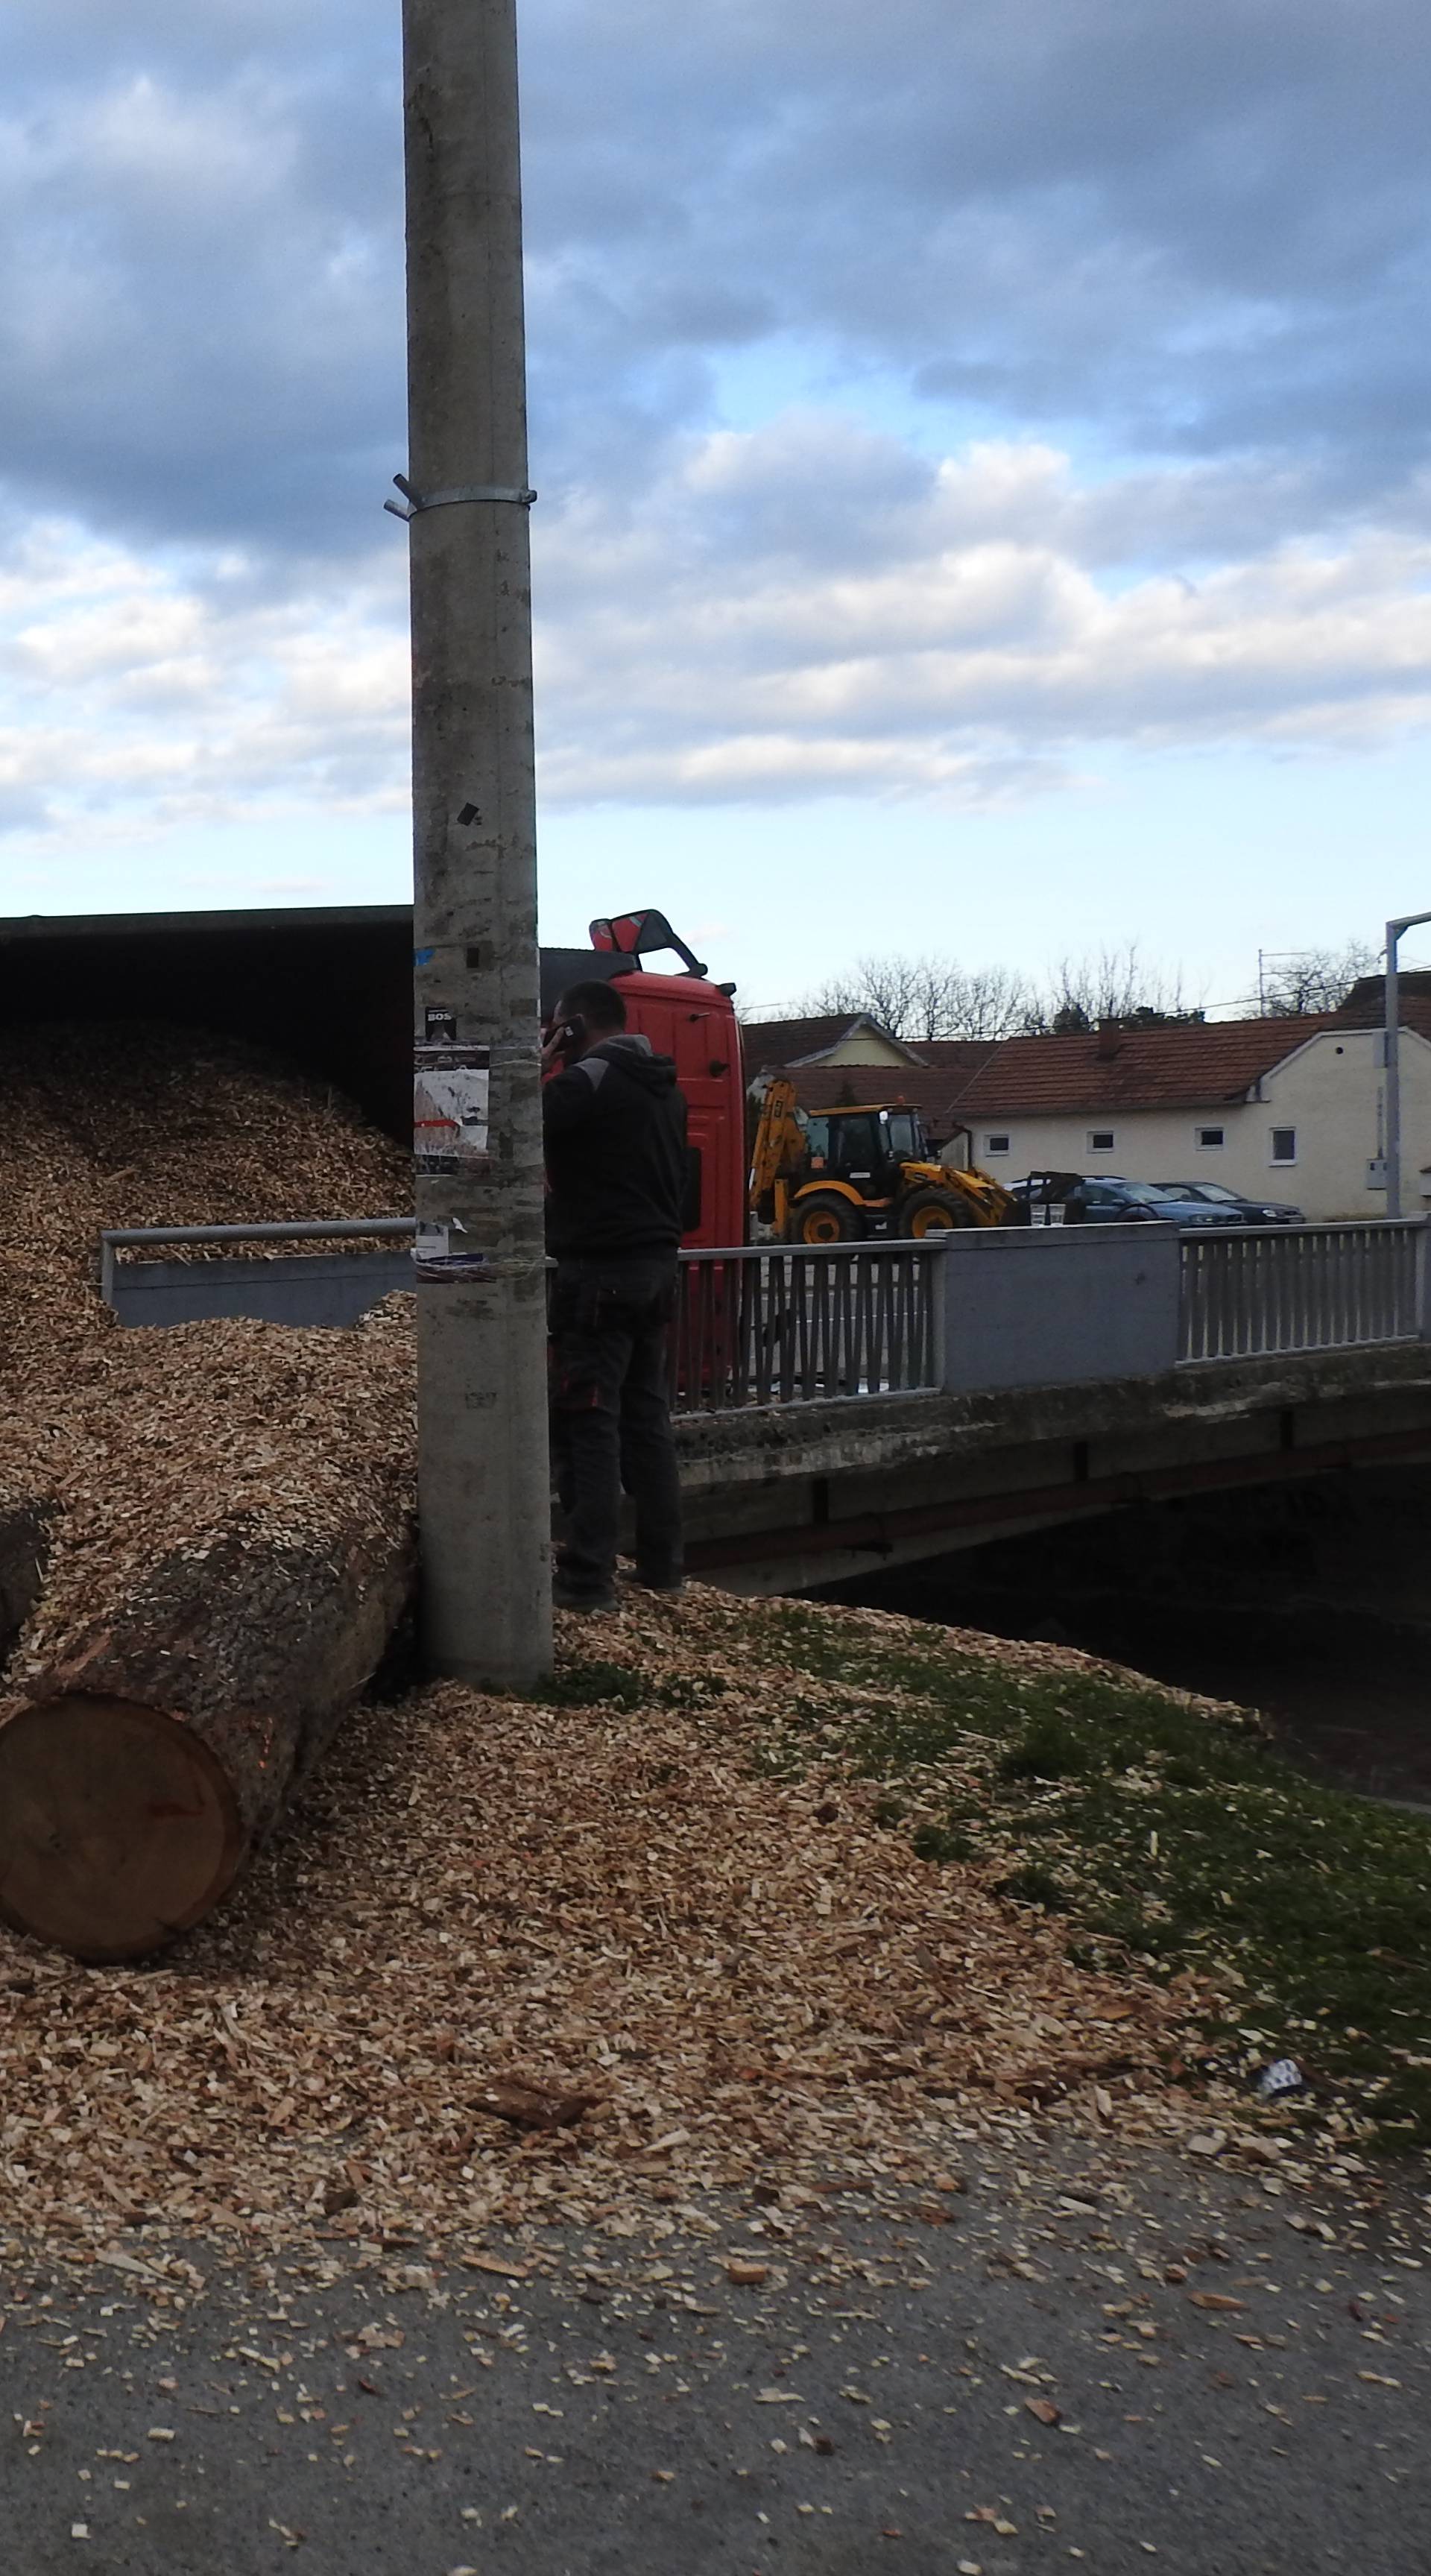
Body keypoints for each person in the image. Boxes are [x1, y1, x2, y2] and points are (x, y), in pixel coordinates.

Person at [541, 979, 687, 1611]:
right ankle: (663, 1566)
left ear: (575, 1024)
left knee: (588, 1420)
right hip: (656, 1268)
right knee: (646, 1419)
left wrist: (539, 1061)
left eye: (557, 1025)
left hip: (598, 1271)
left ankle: (587, 1579)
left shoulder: (587, 1082)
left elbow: (513, 1128)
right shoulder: (665, 1085)